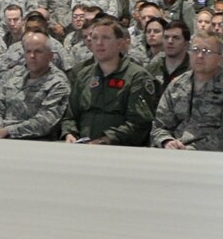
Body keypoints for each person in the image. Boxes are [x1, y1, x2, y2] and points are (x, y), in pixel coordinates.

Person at [151, 29, 223, 152]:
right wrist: (167, 141)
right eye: (195, 50)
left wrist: (194, 149)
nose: (199, 56)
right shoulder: (177, 84)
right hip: (173, 152)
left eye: (206, 52)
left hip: (212, 157)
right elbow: (159, 126)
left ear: (220, 58)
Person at [62, 18, 154, 146]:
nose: (99, 43)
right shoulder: (83, 75)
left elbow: (139, 124)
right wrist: (69, 133)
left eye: (106, 38)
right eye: (94, 38)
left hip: (119, 149)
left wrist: (105, 140)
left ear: (120, 43)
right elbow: (70, 116)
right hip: (83, 146)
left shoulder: (137, 77)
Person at [0, 33, 71, 141]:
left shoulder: (58, 82)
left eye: (38, 52)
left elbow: (45, 122)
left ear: (50, 56)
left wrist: (7, 131)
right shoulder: (13, 74)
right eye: (28, 51)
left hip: (35, 141)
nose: (32, 56)